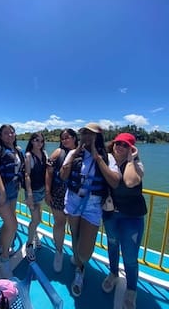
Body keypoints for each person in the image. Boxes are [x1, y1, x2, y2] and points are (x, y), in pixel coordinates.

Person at [60, 123, 121, 297]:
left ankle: (80, 260)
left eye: (91, 134)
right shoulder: (73, 153)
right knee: (75, 234)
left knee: (85, 252)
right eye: (84, 134)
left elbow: (115, 181)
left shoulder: (108, 157)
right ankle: (79, 271)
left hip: (93, 205)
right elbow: (63, 176)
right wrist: (76, 152)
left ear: (98, 137)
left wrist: (98, 158)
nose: (86, 137)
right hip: (73, 201)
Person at [101, 133, 147, 309]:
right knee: (112, 245)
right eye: (118, 143)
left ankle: (131, 289)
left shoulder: (137, 165)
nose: (120, 146)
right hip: (111, 215)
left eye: (125, 145)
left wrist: (131, 159)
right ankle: (113, 274)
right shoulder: (108, 162)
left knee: (129, 256)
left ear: (132, 149)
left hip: (132, 218)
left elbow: (128, 181)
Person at [0, 124, 24, 278]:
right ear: (1, 136)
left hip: (13, 190)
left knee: (8, 222)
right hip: (0, 192)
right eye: (6, 133)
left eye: (12, 132)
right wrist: (2, 192)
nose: (10, 135)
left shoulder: (17, 150)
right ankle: (4, 258)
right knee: (13, 225)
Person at [45, 128, 78, 272]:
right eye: (62, 138)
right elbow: (48, 172)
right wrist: (47, 192)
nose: (65, 140)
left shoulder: (82, 153)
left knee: (75, 228)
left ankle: (77, 255)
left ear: (75, 138)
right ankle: (58, 252)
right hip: (58, 193)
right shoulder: (58, 153)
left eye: (68, 137)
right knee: (59, 223)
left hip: (75, 196)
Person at [24, 132, 48, 262]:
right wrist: (29, 195)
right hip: (33, 192)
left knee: (37, 218)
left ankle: (35, 235)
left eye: (42, 141)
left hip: (42, 190)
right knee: (36, 219)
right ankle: (29, 244)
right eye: (37, 140)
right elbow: (27, 175)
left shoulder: (44, 154)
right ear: (32, 141)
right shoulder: (29, 156)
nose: (40, 143)